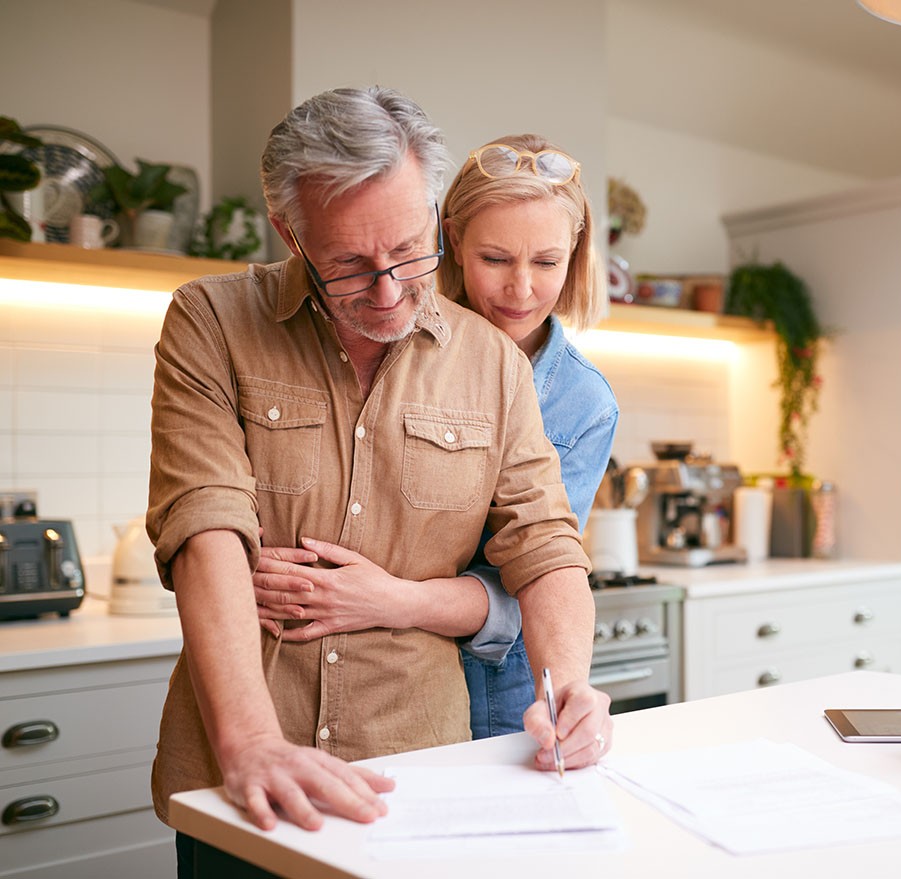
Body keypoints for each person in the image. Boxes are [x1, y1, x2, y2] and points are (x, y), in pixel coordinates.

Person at [145, 87, 611, 874]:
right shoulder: (211, 321)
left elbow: (546, 545)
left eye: (408, 251)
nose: (390, 291)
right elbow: (205, 524)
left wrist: (569, 688)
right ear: (291, 232)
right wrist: (251, 739)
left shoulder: (494, 363)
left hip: (418, 772)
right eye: (351, 267)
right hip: (241, 773)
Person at [251, 135, 619, 738]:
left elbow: (531, 573)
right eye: (495, 259)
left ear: (575, 256)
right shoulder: (381, 326)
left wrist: (389, 597)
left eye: (547, 262)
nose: (520, 289)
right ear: (445, 240)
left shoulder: (584, 402)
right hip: (350, 680)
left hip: (500, 688)